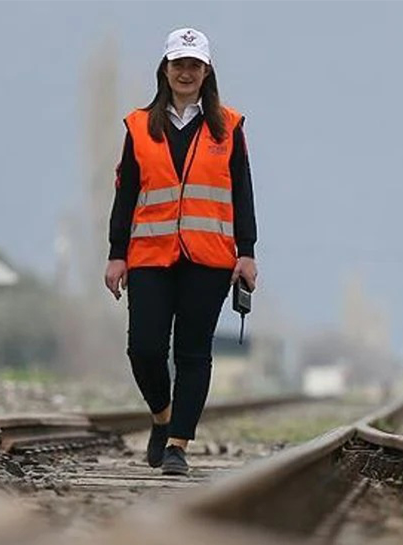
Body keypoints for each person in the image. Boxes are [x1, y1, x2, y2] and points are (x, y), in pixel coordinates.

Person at [103, 27, 259, 476]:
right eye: (178, 64)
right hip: (149, 255)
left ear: (206, 71)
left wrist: (246, 252)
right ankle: (162, 416)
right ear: (165, 70)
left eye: (194, 65)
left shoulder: (228, 127)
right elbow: (125, 192)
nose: (186, 72)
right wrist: (117, 253)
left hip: (208, 257)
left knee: (193, 353)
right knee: (145, 349)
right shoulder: (139, 126)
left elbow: (242, 192)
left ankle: (177, 445)